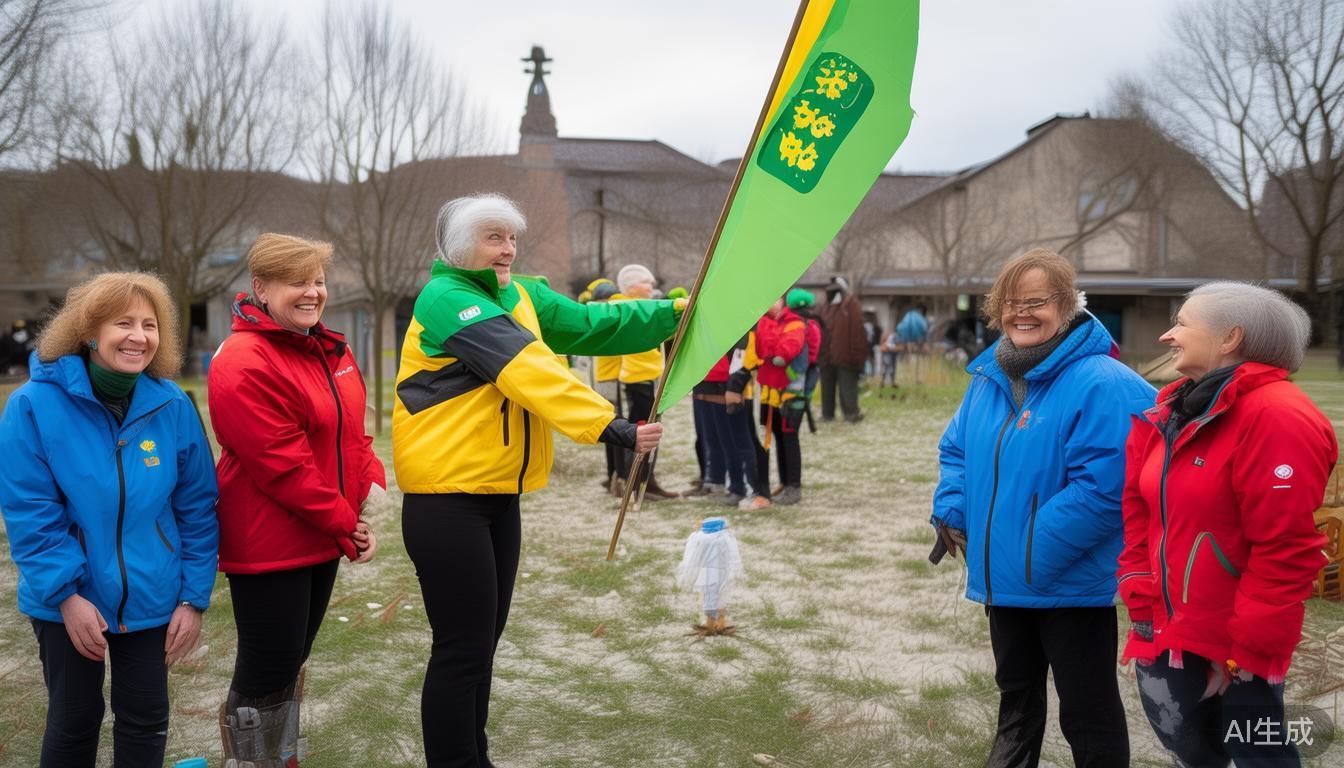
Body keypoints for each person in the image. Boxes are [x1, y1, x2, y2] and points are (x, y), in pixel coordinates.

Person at [392, 194, 682, 766]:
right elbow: (526, 367)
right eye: (493, 237)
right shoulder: (448, 297)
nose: (508, 249)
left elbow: (594, 324)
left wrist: (679, 312)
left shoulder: (519, 292)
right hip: (447, 500)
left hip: (499, 497)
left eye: (512, 237)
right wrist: (611, 425)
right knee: (462, 649)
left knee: (481, 647)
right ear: (457, 247)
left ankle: (475, 757)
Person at [932, 248, 1154, 768]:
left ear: (1068, 305)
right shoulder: (989, 378)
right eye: (1009, 303)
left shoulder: (1104, 382)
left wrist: (1029, 547)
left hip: (1069, 585)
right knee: (1016, 694)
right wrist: (953, 508)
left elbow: (1106, 489)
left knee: (1087, 711)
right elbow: (957, 451)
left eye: (1037, 301)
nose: (1021, 313)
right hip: (1006, 577)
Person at [0, 272, 218, 767]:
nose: (138, 336)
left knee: (145, 720)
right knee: (74, 721)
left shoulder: (174, 405)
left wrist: (192, 597)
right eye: (123, 323)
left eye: (150, 324)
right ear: (89, 330)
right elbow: (32, 516)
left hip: (152, 594)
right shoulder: (32, 406)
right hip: (68, 601)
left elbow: (197, 509)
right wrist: (66, 597)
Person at [1117, 282, 1336, 767]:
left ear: (1230, 336)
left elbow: (1285, 550)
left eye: (1182, 324)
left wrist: (1246, 654)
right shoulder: (1178, 408)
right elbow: (1139, 504)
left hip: (1236, 644)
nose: (1167, 336)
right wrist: (1138, 584)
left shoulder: (1277, 417)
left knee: (1257, 752)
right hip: (1174, 627)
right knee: (1192, 748)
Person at [208, 233, 387, 764]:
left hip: (320, 531)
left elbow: (353, 436)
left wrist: (354, 511)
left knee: (291, 661)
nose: (312, 293)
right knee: (266, 667)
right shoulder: (244, 359)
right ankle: (252, 761)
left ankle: (279, 757)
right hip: (269, 538)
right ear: (261, 288)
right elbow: (282, 465)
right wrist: (344, 524)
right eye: (297, 283)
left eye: (318, 281)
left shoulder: (328, 349)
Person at [611, 263, 680, 500]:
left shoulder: (638, 306)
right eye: (646, 283)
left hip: (646, 378)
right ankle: (637, 482)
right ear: (631, 287)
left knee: (646, 430)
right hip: (640, 380)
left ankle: (644, 480)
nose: (652, 287)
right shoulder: (629, 307)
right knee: (644, 432)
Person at [756, 296, 809, 506]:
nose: (771, 302)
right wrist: (771, 351)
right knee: (776, 434)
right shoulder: (764, 321)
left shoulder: (794, 322)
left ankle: (794, 486)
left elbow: (787, 349)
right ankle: (785, 483)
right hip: (769, 388)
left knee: (789, 436)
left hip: (789, 391)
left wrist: (775, 352)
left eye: (775, 298)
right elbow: (763, 349)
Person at [818, 276, 867, 423]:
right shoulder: (826, 307)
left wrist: (857, 356)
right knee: (828, 388)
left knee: (847, 388)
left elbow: (858, 333)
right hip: (828, 356)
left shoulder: (851, 306)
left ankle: (850, 414)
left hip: (846, 356)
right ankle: (828, 414)